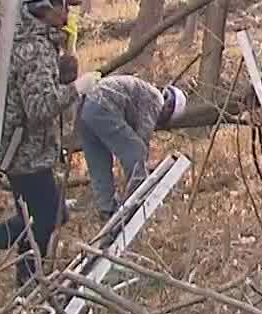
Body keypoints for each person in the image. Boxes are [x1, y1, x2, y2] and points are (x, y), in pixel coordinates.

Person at [0, 0, 100, 287]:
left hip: (33, 149)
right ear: (44, 5)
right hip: (25, 152)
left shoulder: (40, 43)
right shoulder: (33, 49)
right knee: (46, 218)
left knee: (40, 219)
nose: (67, 12)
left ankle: (26, 281)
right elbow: (40, 107)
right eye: (63, 5)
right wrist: (77, 89)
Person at [78, 75, 187, 219]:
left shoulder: (143, 91)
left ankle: (106, 208)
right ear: (169, 108)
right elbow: (141, 141)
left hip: (85, 107)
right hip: (103, 104)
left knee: (99, 160)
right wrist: (146, 171)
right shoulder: (156, 101)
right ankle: (139, 201)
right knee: (137, 152)